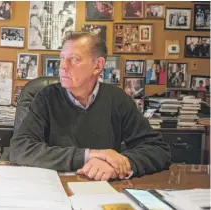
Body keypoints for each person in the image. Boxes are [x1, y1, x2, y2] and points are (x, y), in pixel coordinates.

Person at [9, 33, 171, 181]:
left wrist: (119, 165)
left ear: (98, 66)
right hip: (54, 186)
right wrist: (89, 155)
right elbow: (19, 148)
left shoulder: (117, 99)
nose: (63, 66)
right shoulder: (46, 97)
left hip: (101, 188)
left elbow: (158, 149)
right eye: (62, 58)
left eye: (74, 59)